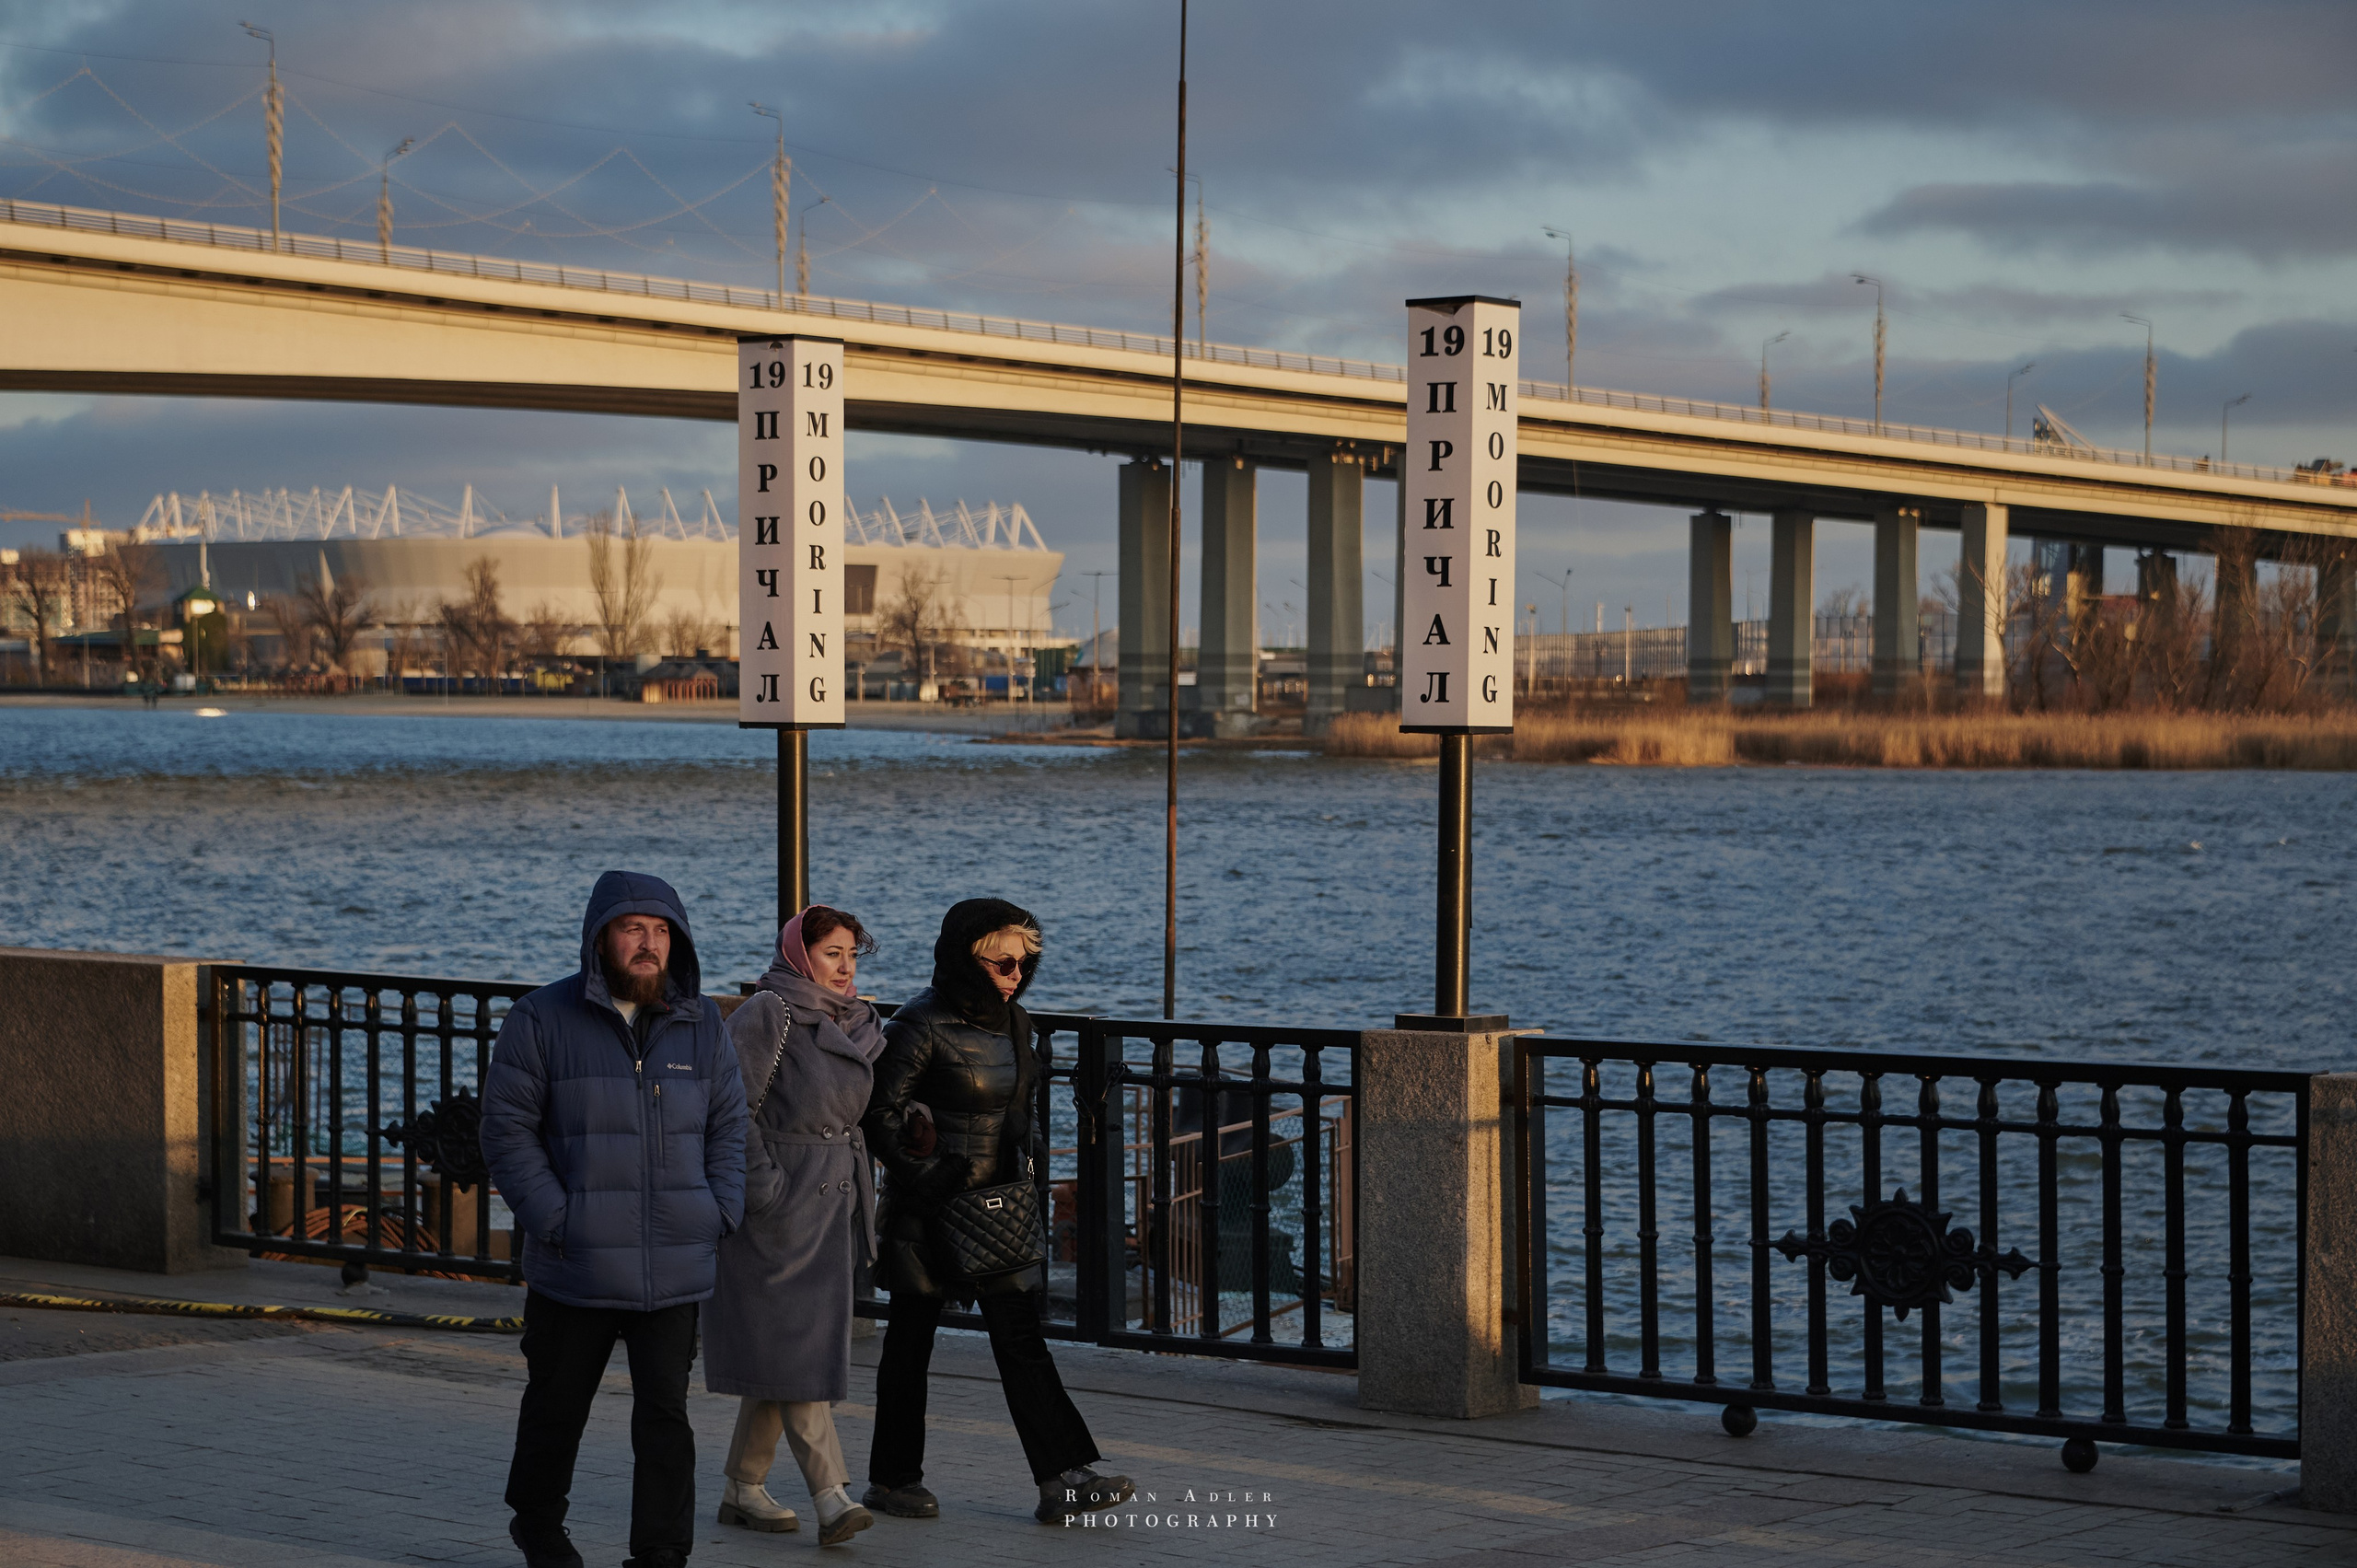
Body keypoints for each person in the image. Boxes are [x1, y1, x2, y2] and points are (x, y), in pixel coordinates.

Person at [480, 871, 747, 1568]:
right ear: (600, 938)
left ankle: (661, 1553)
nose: (648, 944)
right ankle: (537, 1524)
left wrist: (719, 1207)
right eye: (633, 929)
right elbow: (507, 1133)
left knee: (666, 1416)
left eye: (661, 931)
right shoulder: (540, 1018)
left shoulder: (704, 1022)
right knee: (556, 1406)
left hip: (676, 1259)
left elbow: (729, 1127)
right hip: (579, 1258)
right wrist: (556, 1218)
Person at [861, 897, 1136, 1527]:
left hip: (996, 1212)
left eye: (1024, 962)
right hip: (925, 1214)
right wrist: (929, 1179)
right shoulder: (916, 1025)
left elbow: (1024, 1120)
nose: (1015, 974)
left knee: (1021, 1340)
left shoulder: (1018, 1024)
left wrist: (1029, 1188)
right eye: (1002, 961)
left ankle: (1064, 1478)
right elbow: (878, 1114)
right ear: (965, 957)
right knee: (910, 1344)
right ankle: (893, 1479)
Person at [703, 905, 886, 1548]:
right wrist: (766, 1190)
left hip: (831, 1201)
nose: (845, 967)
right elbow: (727, 1107)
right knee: (799, 1351)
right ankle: (832, 1495)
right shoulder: (769, 1011)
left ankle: (742, 1486)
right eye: (833, 953)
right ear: (800, 954)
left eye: (852, 955)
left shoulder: (859, 1020)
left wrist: (909, 1121)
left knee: (789, 1350)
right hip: (777, 1210)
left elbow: (860, 1108)